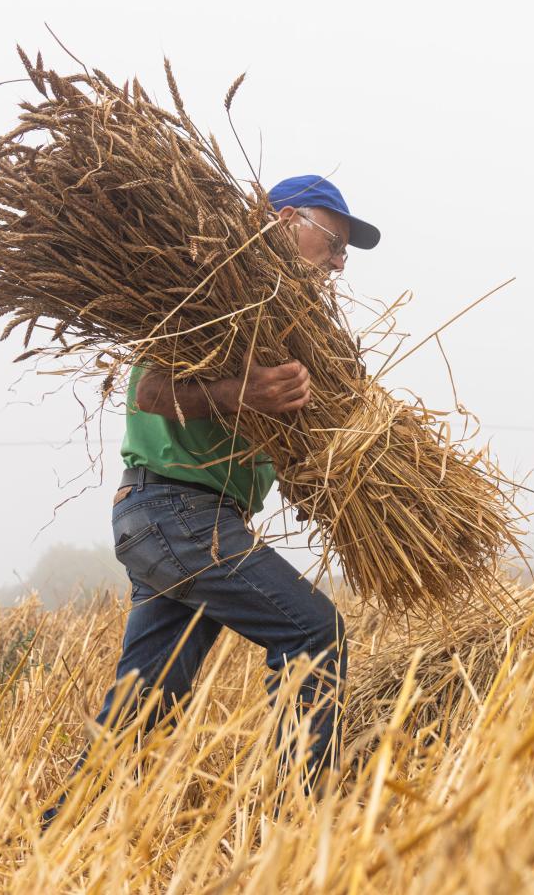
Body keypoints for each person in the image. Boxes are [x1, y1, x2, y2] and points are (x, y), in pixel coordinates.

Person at [45, 175, 380, 825]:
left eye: (344, 251)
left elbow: (281, 438)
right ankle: (299, 827)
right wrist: (240, 394)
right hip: (173, 511)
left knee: (149, 700)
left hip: (184, 521)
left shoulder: (287, 329)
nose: (340, 260)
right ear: (285, 222)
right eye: (333, 241)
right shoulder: (206, 288)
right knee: (313, 628)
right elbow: (151, 391)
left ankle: (62, 836)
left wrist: (318, 485)